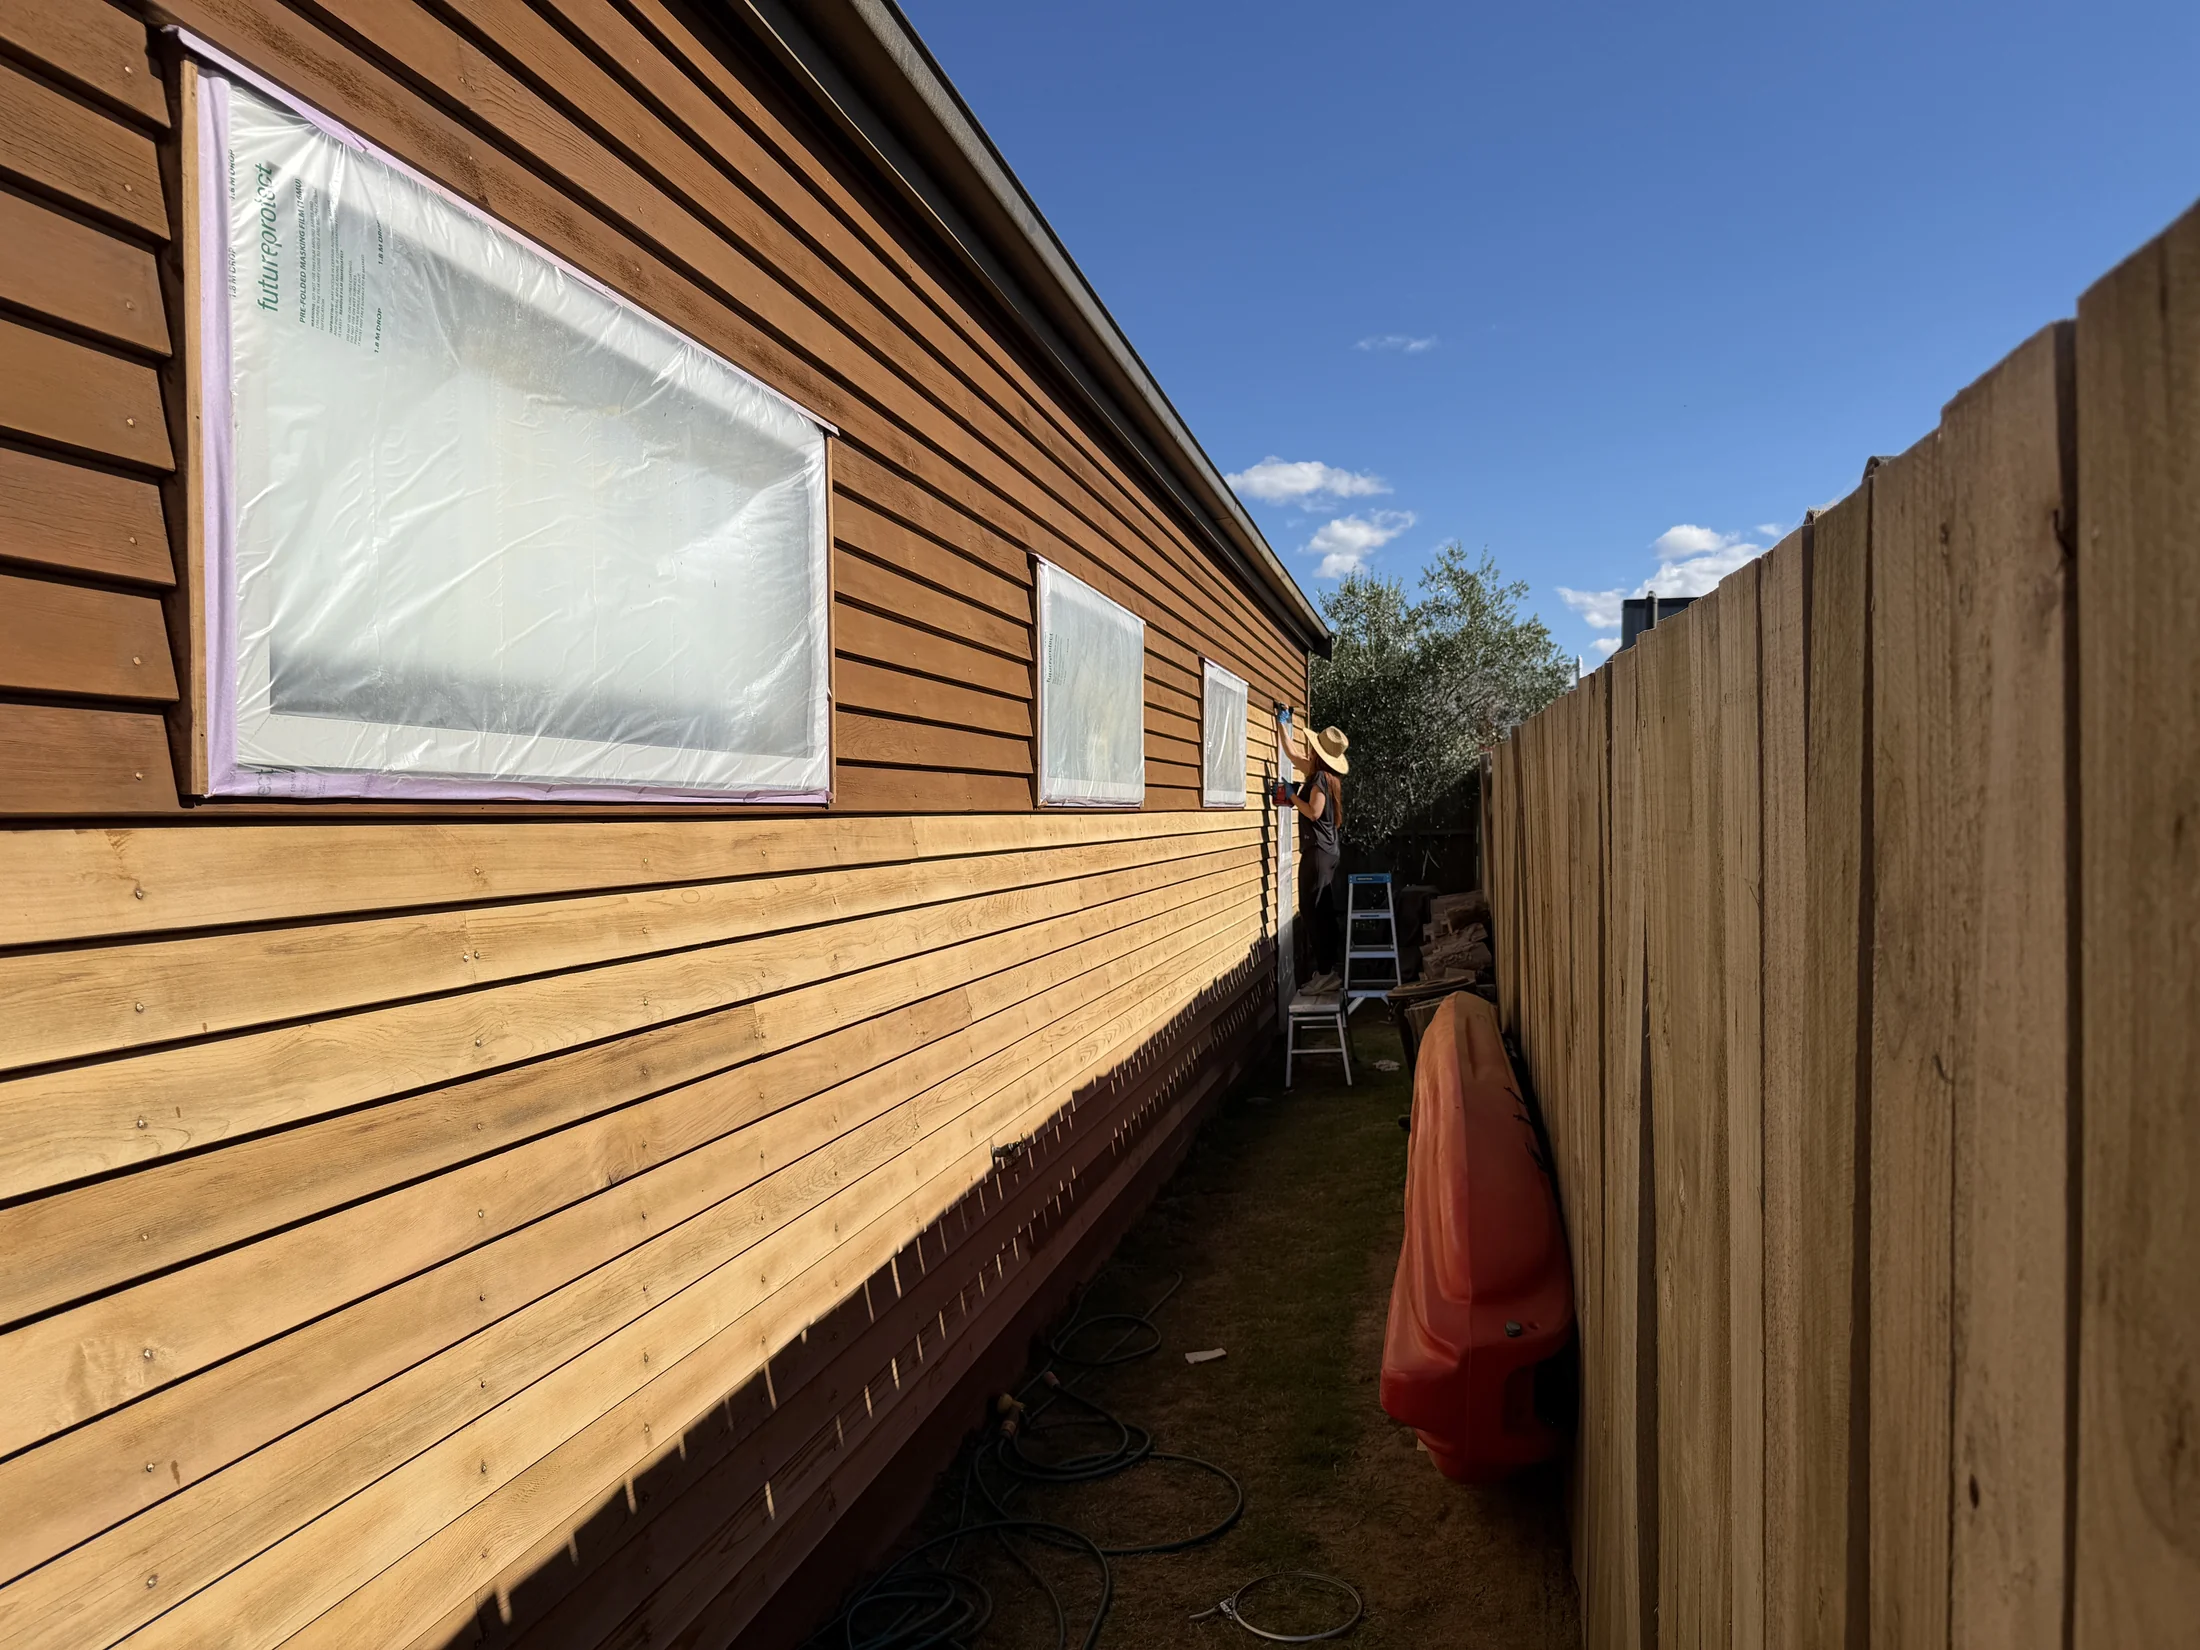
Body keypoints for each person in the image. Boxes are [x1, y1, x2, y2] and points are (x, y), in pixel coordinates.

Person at [1284, 723, 1349, 992]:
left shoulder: (1320, 778)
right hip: (1327, 851)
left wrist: (1290, 795)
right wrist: (1282, 721)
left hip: (1319, 853)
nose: (1309, 750)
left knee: (1312, 911)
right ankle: (1327, 971)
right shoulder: (1323, 774)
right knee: (1321, 911)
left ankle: (1325, 973)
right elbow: (1291, 754)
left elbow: (1313, 812)